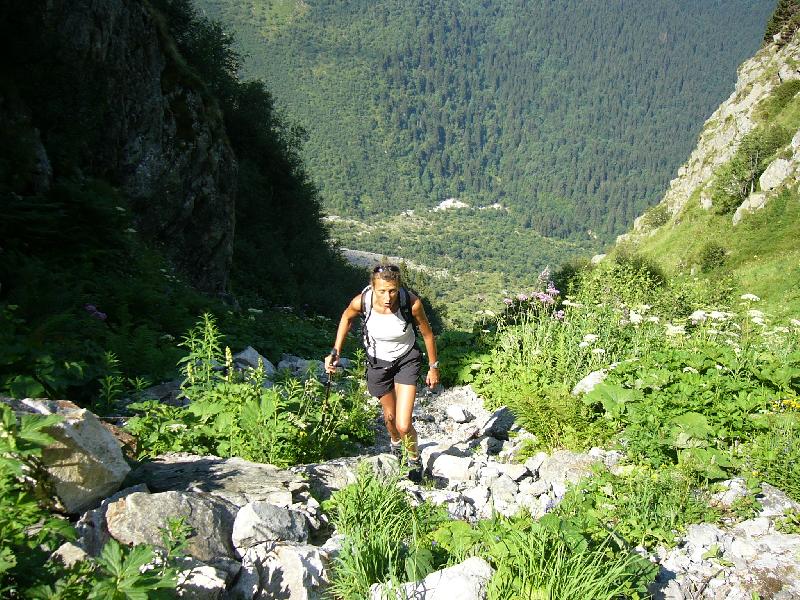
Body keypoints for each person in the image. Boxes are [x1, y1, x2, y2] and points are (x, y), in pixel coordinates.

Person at [324, 264, 440, 482]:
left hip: (407, 359)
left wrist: (433, 367)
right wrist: (335, 351)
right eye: (382, 291)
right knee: (390, 418)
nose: (388, 297)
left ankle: (414, 460)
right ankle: (395, 443)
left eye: (393, 290)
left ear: (399, 287)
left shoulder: (411, 304)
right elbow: (346, 319)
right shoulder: (362, 302)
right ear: (373, 287)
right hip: (378, 363)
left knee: (403, 423)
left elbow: (427, 335)